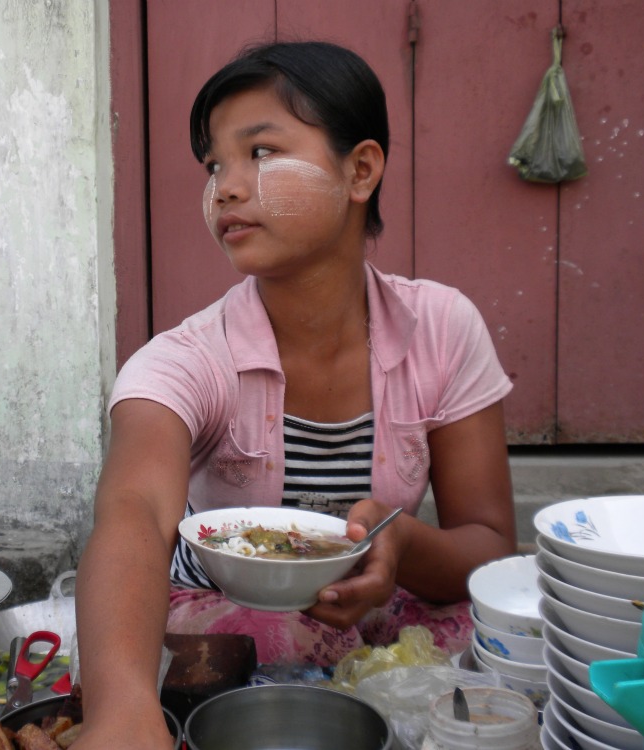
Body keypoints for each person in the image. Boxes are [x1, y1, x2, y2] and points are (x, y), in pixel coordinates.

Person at [73, 41, 517, 750]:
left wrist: (400, 543)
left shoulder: (442, 328)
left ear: (360, 170)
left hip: (372, 616)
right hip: (219, 620)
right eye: (214, 164)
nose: (224, 187)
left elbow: (491, 550)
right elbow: (131, 514)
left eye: (259, 153)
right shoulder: (186, 360)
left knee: (508, 654)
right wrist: (121, 710)